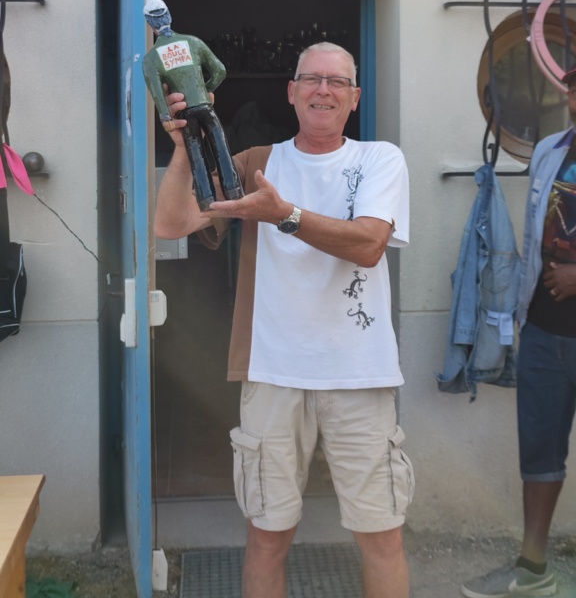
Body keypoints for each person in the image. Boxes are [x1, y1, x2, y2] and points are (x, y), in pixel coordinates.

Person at [154, 42, 413, 598]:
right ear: (291, 92)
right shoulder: (256, 163)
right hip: (271, 375)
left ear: (355, 97)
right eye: (311, 79)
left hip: (359, 376)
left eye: (337, 82)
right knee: (267, 538)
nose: (323, 90)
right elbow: (172, 224)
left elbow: (369, 245)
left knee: (382, 536)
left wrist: (284, 215)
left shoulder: (379, 159)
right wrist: (182, 148)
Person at [461, 69, 576, 598]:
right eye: (574, 86)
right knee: (540, 455)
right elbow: (534, 240)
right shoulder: (552, 150)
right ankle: (533, 570)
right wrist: (519, 316)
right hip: (546, 331)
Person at [142, 0, 243, 210]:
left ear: (149, 24)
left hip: (185, 112)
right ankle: (233, 190)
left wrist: (166, 117)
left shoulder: (151, 59)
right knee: (221, 147)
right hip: (204, 105)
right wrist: (205, 90)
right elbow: (220, 70)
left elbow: (157, 94)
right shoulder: (192, 42)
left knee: (196, 153)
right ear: (169, 16)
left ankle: (206, 198)